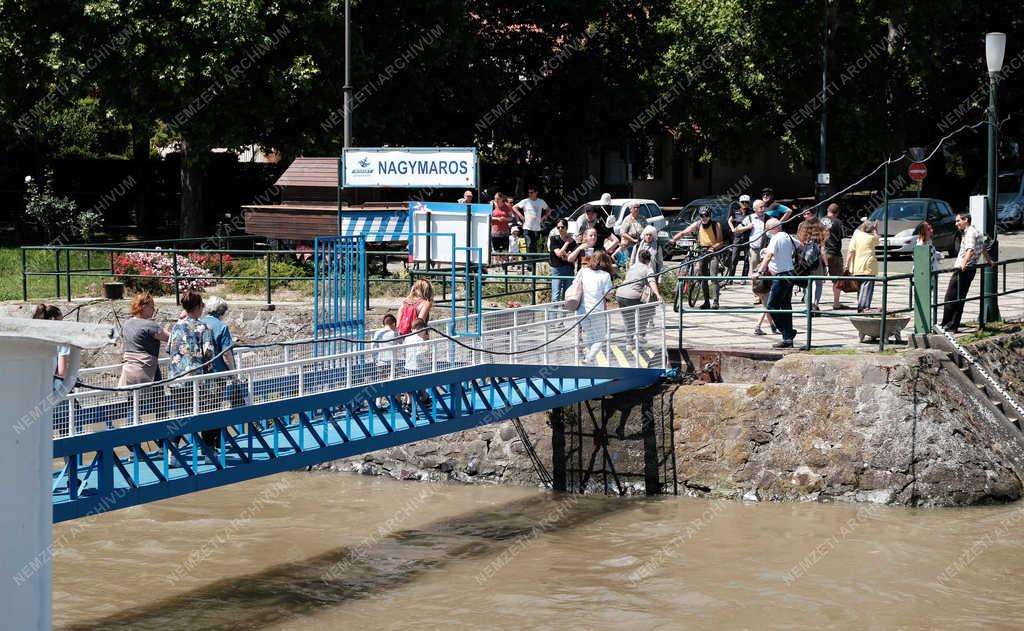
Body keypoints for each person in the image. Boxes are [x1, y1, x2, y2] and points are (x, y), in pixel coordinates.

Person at [940, 211, 995, 333]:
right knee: (960, 298)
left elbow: (970, 250)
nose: (956, 223)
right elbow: (983, 248)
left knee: (950, 297)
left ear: (966, 220)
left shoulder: (970, 233)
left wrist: (963, 263)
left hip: (963, 270)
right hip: (971, 269)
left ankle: (945, 325)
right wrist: (989, 260)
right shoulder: (977, 231)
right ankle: (953, 326)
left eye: (958, 221)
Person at [753, 218, 800, 349]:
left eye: (767, 228)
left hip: (781, 276)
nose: (766, 231)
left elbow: (768, 256)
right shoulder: (787, 236)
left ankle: (787, 333)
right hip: (790, 273)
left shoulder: (776, 238)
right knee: (786, 307)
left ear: (774, 228)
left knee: (771, 306)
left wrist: (759, 271)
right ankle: (787, 339)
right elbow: (800, 245)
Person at [167, 291, 215, 421]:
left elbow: (169, 349)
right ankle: (207, 442)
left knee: (182, 418)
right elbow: (209, 354)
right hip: (195, 381)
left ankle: (171, 441)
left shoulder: (176, 326)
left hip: (176, 379)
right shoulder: (203, 328)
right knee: (205, 417)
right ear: (198, 307)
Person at [668, 208, 725, 309]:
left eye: (706, 216)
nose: (704, 218)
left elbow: (720, 242)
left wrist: (713, 248)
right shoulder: (697, 224)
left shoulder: (716, 225)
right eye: (702, 216)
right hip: (702, 251)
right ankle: (706, 301)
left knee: (713, 277)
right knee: (702, 277)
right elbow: (683, 233)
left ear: (710, 215)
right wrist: (673, 240)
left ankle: (716, 301)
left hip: (713, 251)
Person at [200, 295, 244, 410]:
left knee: (202, 408)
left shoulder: (199, 323)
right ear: (222, 311)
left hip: (200, 373)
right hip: (217, 373)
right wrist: (234, 375)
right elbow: (226, 354)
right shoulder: (222, 327)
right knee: (214, 408)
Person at [119, 292, 170, 387]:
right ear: (143, 307)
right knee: (157, 400)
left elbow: (122, 349)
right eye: (151, 307)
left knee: (133, 400)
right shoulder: (150, 325)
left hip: (129, 370)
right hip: (148, 371)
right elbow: (171, 338)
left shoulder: (125, 324)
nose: (154, 310)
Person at [615, 249, 663, 340]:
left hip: (620, 294)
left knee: (628, 319)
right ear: (649, 260)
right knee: (649, 310)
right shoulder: (648, 269)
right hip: (632, 295)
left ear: (639, 258)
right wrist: (658, 295)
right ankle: (641, 334)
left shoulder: (633, 266)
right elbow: (652, 281)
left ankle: (629, 342)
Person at [578, 251, 614, 363]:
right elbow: (608, 295)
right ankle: (589, 358)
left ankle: (589, 363)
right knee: (600, 337)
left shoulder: (583, 271)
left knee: (589, 335)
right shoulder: (605, 275)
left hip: (582, 310)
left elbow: (576, 284)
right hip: (596, 310)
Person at [796, 208, 829, 311]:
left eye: (808, 213)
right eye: (804, 214)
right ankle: (815, 304)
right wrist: (826, 264)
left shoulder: (801, 226)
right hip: (817, 260)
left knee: (807, 283)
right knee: (818, 283)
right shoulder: (821, 226)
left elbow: (799, 245)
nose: (806, 215)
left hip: (804, 260)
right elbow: (822, 248)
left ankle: (808, 306)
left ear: (813, 214)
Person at [846, 220, 880, 313]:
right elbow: (878, 240)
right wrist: (876, 229)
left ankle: (861, 306)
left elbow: (850, 251)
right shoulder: (872, 237)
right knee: (867, 288)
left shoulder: (856, 236)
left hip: (857, 266)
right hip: (869, 266)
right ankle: (864, 308)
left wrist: (847, 265)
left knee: (860, 288)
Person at [33, 304, 68, 386]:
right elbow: (62, 372)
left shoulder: (34, 337)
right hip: (53, 388)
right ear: (53, 319)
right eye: (61, 321)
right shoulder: (62, 341)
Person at [820, 203, 847, 310]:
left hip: (821, 253)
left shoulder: (820, 221)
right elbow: (842, 236)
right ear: (837, 212)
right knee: (837, 279)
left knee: (816, 280)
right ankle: (836, 303)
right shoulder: (838, 222)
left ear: (827, 210)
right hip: (834, 253)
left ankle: (814, 303)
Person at [372, 314, 399, 405]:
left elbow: (373, 346)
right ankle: (395, 400)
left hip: (380, 361)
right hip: (391, 361)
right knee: (395, 380)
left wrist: (375, 359)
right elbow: (400, 342)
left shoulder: (378, 332)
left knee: (381, 382)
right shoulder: (394, 332)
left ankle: (378, 402)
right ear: (393, 323)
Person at [514, 187, 551, 252]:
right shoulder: (525, 201)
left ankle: (533, 262)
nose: (529, 194)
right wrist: (520, 216)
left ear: (536, 193)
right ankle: (529, 262)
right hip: (527, 227)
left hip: (537, 228)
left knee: (534, 245)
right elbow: (514, 207)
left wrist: (543, 218)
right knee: (529, 244)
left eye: (531, 192)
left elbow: (549, 210)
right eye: (528, 193)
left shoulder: (541, 201)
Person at [549, 220, 576, 301]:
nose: (560, 229)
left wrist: (566, 256)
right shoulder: (554, 239)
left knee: (567, 295)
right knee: (555, 296)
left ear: (566, 228)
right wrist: (567, 243)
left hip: (569, 269)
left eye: (562, 227)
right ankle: (553, 314)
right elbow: (559, 254)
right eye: (558, 227)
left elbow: (572, 257)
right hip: (557, 269)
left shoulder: (573, 242)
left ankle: (564, 314)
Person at [727, 195, 752, 280]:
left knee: (746, 259)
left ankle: (743, 278)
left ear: (749, 203)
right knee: (734, 258)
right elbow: (730, 220)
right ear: (739, 202)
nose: (744, 204)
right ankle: (730, 278)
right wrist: (733, 229)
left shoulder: (752, 212)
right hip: (737, 237)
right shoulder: (736, 211)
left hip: (748, 237)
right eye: (742, 202)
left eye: (746, 202)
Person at [490, 192, 521, 257]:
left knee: (505, 251)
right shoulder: (492, 205)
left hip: (505, 231)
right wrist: (497, 219)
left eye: (497, 198)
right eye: (495, 198)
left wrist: (505, 219)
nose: (496, 200)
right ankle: (497, 266)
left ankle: (504, 266)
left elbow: (511, 218)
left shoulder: (507, 207)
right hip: (495, 232)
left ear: (501, 198)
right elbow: (488, 217)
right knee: (496, 251)